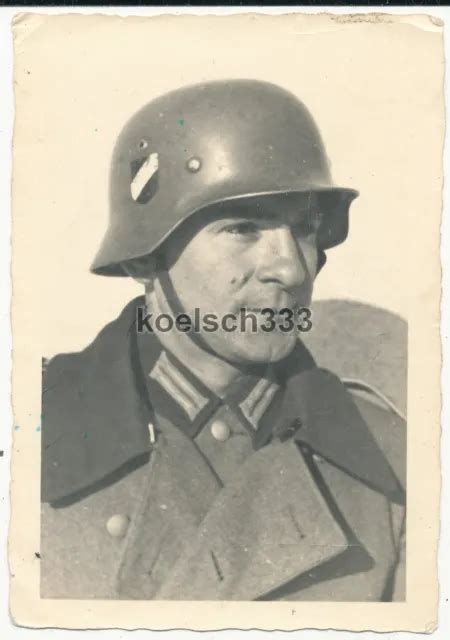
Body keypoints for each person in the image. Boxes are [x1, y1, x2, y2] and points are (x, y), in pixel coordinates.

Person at [40, 79, 406, 601]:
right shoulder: (31, 430)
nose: (290, 266)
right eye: (243, 229)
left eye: (303, 228)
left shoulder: (394, 461)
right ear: (146, 258)